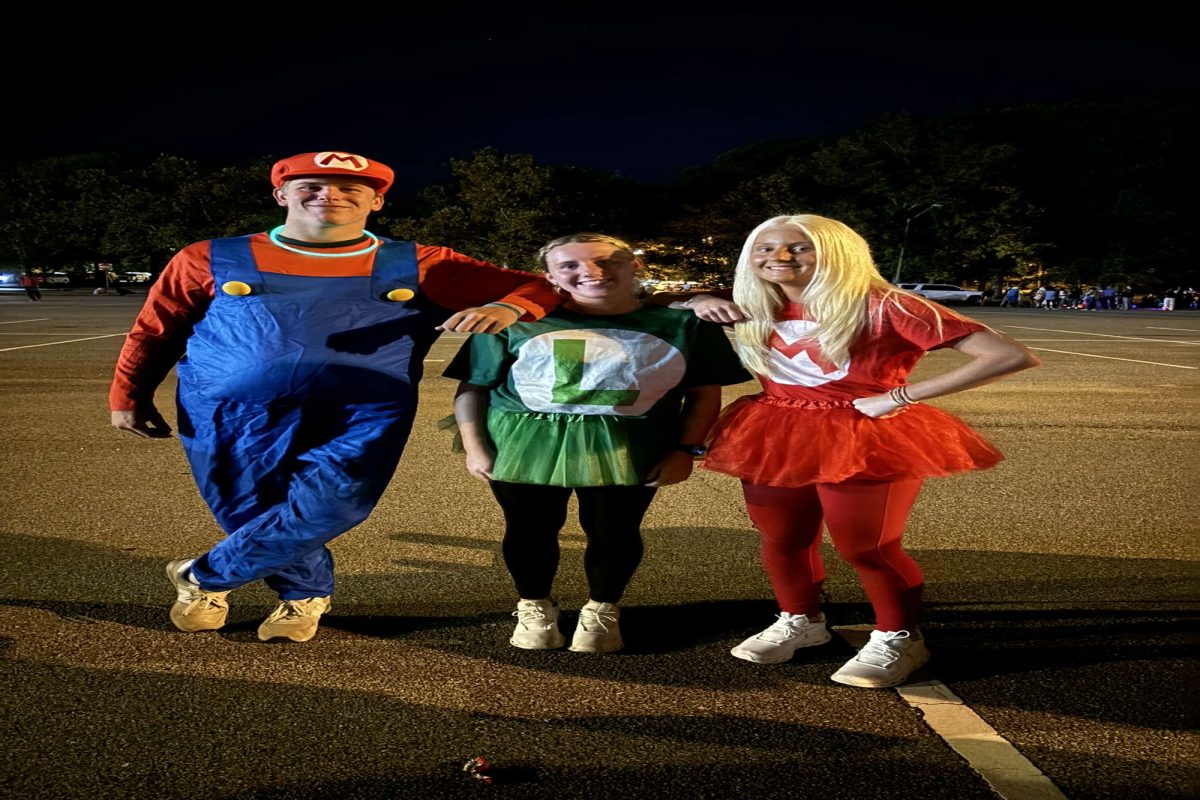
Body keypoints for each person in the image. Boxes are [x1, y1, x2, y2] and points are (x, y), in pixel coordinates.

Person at [108, 151, 562, 643]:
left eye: (350, 189)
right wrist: (128, 394)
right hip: (228, 412)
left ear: (377, 201)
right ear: (281, 195)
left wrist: (508, 305)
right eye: (313, 185)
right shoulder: (207, 256)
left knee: (337, 504)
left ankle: (202, 576)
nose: (331, 195)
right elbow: (156, 330)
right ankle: (304, 596)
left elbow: (540, 286)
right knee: (247, 509)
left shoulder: (421, 262)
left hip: (364, 413)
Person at [664, 214, 1039, 688]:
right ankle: (801, 620)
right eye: (765, 248)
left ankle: (900, 636)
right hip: (777, 429)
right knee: (782, 537)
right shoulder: (753, 301)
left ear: (836, 252)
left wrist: (899, 397)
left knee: (866, 546)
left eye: (798, 248)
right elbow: (645, 301)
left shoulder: (887, 305)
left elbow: (1009, 355)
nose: (778, 258)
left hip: (864, 433)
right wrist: (697, 299)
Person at [445, 233, 750, 653]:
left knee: (614, 529)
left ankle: (602, 608)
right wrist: (475, 445)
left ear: (636, 266)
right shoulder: (513, 321)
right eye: (569, 265)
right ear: (549, 275)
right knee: (529, 528)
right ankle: (534, 605)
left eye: (607, 261)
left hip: (630, 442)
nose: (590, 272)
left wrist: (684, 449)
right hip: (524, 438)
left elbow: (703, 394)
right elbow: (473, 387)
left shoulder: (686, 324)